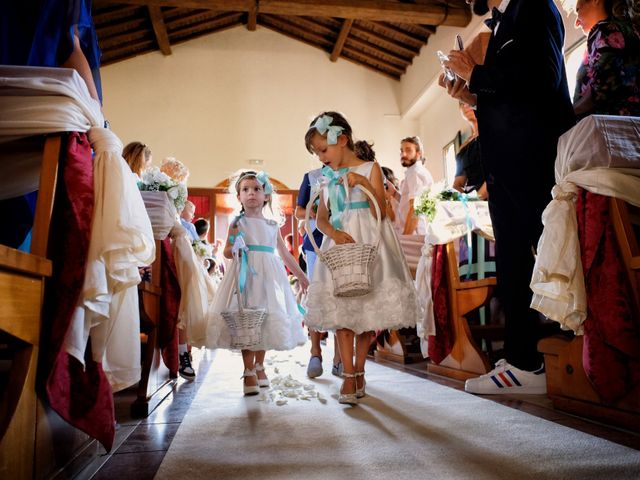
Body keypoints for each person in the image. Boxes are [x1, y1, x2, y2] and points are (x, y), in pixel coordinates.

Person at [441, 0, 576, 394]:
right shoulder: (505, 21)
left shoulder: (534, 7)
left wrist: (476, 72)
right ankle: (522, 360)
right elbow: (507, 98)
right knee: (513, 264)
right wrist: (468, 94)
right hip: (506, 165)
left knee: (546, 256)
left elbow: (543, 79)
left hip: (533, 158)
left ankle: (545, 360)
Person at [303, 112, 422, 405]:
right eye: (317, 152)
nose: (320, 157)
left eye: (323, 150)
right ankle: (348, 376)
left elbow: (380, 210)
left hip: (370, 242)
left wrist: (363, 184)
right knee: (343, 311)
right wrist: (334, 232)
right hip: (342, 246)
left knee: (367, 311)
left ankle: (359, 370)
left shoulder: (371, 169)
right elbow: (320, 220)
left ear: (341, 140)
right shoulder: (326, 178)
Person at [205, 171, 308, 395]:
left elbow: (285, 254)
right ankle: (248, 370)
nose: (251, 193)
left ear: (266, 196)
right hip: (246, 274)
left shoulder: (272, 225)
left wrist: (301, 275)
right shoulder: (237, 223)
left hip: (269, 276)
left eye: (256, 189)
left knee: (265, 318)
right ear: (239, 197)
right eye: (245, 190)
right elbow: (227, 251)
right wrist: (236, 247)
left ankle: (260, 365)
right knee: (247, 320)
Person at [295, 168, 343, 379]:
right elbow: (298, 211)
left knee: (342, 296)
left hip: (342, 237)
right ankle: (315, 352)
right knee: (317, 295)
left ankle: (340, 356)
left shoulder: (348, 172)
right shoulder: (311, 177)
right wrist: (314, 212)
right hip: (315, 241)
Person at [564, 0, 640, 119]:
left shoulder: (603, 31)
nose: (576, 23)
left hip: (611, 127)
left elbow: (602, 89)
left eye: (578, 10)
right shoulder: (628, 31)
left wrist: (565, 113)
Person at [396, 136, 434, 235]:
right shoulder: (412, 172)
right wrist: (394, 193)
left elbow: (415, 209)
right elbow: (406, 203)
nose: (403, 154)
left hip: (415, 233)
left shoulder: (415, 172)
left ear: (418, 153)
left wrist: (405, 237)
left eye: (408, 150)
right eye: (402, 150)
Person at [452, 102, 487, 199]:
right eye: (462, 103)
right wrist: (464, 202)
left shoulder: (493, 134)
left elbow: (497, 173)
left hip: (496, 199)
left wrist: (477, 199)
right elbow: (457, 184)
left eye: (468, 102)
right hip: (473, 205)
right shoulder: (464, 147)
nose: (466, 106)